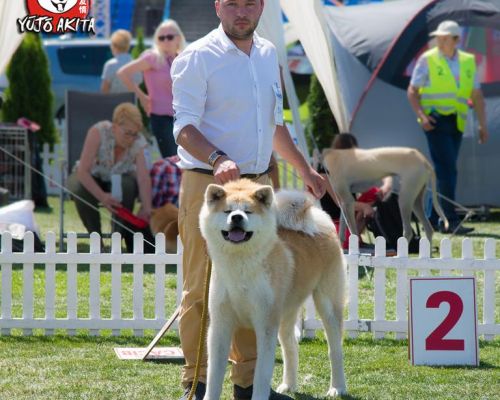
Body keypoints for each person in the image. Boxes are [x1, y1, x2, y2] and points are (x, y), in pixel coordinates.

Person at [170, 1, 326, 399]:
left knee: (256, 286)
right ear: (218, 6)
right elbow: (183, 128)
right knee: (201, 289)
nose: (243, 11)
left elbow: (275, 126)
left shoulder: (269, 52)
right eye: (234, 3)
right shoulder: (197, 57)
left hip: (256, 191)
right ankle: (198, 383)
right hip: (211, 187)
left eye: (251, 3)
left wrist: (305, 170)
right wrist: (217, 158)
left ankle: (247, 384)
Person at [407, 20, 488, 234]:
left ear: (456, 39)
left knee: (443, 171)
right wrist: (422, 117)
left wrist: (482, 124)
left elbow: (476, 95)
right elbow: (412, 91)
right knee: (447, 170)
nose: (440, 40)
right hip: (435, 121)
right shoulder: (427, 59)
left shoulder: (469, 61)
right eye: (439, 37)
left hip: (457, 121)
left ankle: (433, 219)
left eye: (445, 37)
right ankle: (449, 220)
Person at [67, 103, 152, 252]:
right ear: (114, 127)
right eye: (127, 133)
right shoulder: (97, 131)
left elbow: (143, 178)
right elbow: (82, 171)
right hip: (93, 178)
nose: (131, 138)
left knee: (128, 185)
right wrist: (102, 197)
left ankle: (116, 240)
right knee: (78, 185)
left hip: (119, 181)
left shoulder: (139, 142)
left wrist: (146, 207)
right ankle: (96, 240)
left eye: (135, 133)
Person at [118, 19, 186, 158]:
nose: (165, 41)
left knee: (186, 160)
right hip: (161, 117)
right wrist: (142, 96)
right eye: (161, 38)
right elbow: (123, 73)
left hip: (182, 116)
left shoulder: (181, 57)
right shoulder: (153, 57)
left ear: (178, 38)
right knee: (173, 159)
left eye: (169, 37)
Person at [318, 133, 391, 249]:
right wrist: (364, 207)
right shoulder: (325, 172)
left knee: (374, 192)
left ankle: (356, 231)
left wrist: (385, 186)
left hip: (349, 214)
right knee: (346, 243)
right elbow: (340, 202)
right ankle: (354, 234)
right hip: (334, 220)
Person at [101, 29, 141, 94]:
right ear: (128, 46)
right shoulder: (136, 65)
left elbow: (104, 90)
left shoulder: (110, 65)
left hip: (113, 102)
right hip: (131, 103)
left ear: (114, 46)